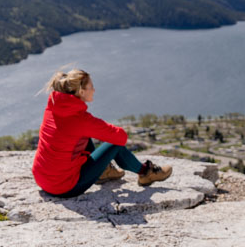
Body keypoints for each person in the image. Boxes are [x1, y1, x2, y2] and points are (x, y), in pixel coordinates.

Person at [32, 69, 171, 198]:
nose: (94, 89)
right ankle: (146, 173)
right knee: (114, 144)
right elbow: (120, 137)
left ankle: (103, 172)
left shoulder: (53, 108)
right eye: (91, 87)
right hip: (65, 187)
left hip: (42, 179)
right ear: (81, 91)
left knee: (80, 137)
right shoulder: (81, 120)